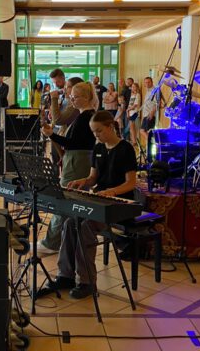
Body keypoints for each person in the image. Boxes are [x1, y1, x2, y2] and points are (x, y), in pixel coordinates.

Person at [40, 111, 137, 299]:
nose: (96, 135)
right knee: (70, 223)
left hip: (119, 204)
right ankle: (65, 275)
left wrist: (112, 191)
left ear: (110, 127)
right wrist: (82, 181)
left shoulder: (125, 149)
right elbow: (93, 178)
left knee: (85, 228)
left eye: (99, 131)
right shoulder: (98, 148)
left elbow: (131, 183)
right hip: (100, 200)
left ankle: (87, 282)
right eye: (93, 132)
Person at [39, 82, 98, 253]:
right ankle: (63, 240)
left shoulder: (86, 117)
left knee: (64, 201)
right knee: (70, 201)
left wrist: (52, 135)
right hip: (76, 160)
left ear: (86, 98)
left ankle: (51, 243)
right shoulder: (83, 115)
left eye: (75, 97)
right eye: (71, 96)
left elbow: (73, 143)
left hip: (78, 162)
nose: (71, 100)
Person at [140, 77, 157, 145]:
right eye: (146, 82)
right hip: (146, 114)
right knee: (142, 131)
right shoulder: (148, 91)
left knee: (146, 132)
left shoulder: (154, 91)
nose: (147, 84)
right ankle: (150, 145)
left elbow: (156, 103)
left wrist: (152, 113)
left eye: (148, 82)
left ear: (152, 82)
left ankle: (153, 144)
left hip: (150, 114)